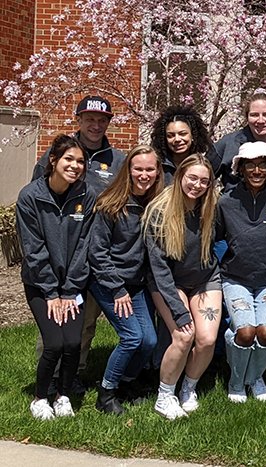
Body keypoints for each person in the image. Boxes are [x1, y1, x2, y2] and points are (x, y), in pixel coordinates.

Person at [31, 95, 126, 394]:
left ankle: (73, 374)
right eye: (89, 119)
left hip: (97, 254)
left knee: (84, 321)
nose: (95, 125)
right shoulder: (58, 153)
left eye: (101, 120)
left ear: (108, 122)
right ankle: (48, 375)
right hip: (60, 254)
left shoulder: (118, 160)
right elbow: (37, 198)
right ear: (79, 120)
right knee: (55, 318)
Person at [17, 134, 96, 419]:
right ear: (53, 160)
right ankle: (40, 398)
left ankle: (63, 395)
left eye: (80, 161)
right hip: (40, 284)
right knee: (54, 343)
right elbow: (33, 249)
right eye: (69, 159)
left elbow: (85, 245)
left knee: (73, 342)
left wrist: (69, 290)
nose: (75, 166)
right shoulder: (30, 196)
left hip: (72, 283)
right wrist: (52, 293)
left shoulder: (86, 195)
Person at [142, 154, 221, 420]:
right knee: (184, 335)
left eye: (204, 181)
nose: (197, 185)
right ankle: (165, 396)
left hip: (204, 278)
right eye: (192, 178)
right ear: (179, 177)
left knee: (207, 339)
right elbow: (159, 268)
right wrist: (179, 310)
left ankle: (188, 387)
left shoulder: (210, 207)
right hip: (168, 282)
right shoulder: (159, 211)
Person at [88, 145, 164, 414]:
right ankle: (106, 392)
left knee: (150, 341)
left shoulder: (157, 205)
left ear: (157, 172)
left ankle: (127, 383)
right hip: (110, 282)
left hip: (138, 284)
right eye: (138, 169)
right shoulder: (110, 204)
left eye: (149, 169)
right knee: (132, 338)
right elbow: (97, 253)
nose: (144, 174)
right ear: (128, 170)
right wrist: (116, 289)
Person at [217, 141, 266, 403]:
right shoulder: (226, 202)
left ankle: (255, 377)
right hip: (236, 279)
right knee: (246, 332)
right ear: (241, 168)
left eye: (262, 165)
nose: (256, 171)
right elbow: (214, 238)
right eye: (250, 165)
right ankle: (237, 381)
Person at [150, 105, 221, 184]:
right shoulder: (157, 165)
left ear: (193, 135)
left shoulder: (204, 164)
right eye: (171, 136)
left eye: (182, 134)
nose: (177, 139)